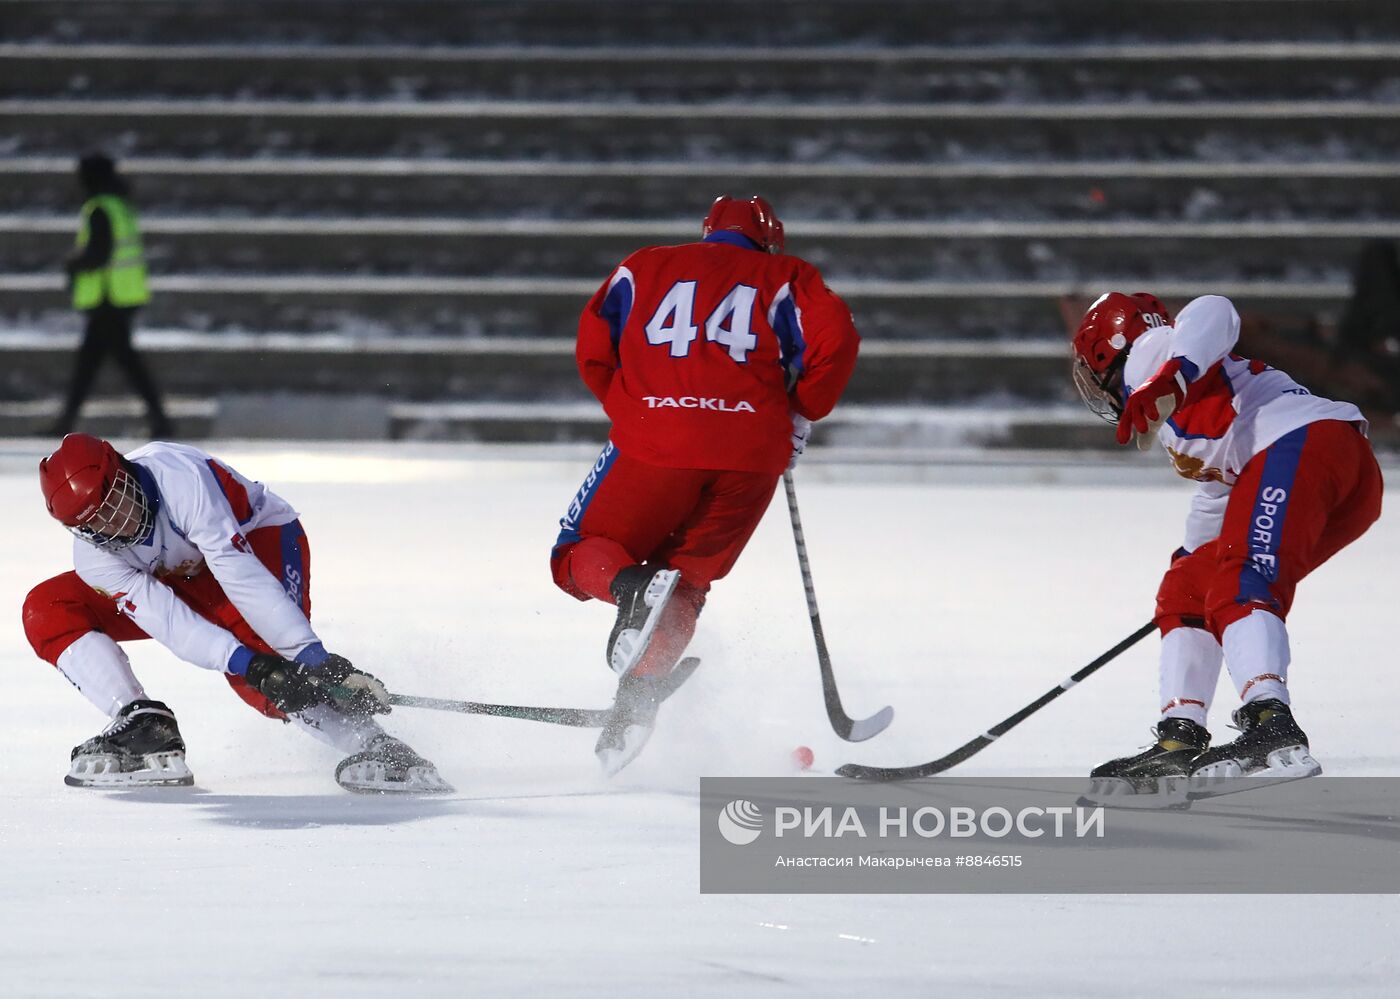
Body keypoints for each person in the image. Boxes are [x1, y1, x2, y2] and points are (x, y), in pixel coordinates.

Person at [552, 195, 861, 775]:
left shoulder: (643, 265)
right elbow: (837, 339)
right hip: (752, 455)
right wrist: (800, 410)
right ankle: (636, 704)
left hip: (656, 439)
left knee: (574, 555)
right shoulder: (788, 275)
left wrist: (635, 408)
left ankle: (626, 588)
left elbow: (595, 346)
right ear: (770, 240)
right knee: (686, 584)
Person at [1071, 292, 1382, 806]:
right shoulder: (1175, 412)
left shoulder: (1155, 356)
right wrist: (1186, 574)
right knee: (1192, 588)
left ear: (1109, 352)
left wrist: (1171, 373)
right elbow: (1216, 491)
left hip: (1306, 443)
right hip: (1338, 475)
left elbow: (1214, 310)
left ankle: (1270, 721)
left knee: (1242, 578)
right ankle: (1180, 734)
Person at [23, 433, 450, 793]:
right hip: (181, 577)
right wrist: (247, 663)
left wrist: (312, 659)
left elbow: (238, 573)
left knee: (271, 674)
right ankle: (141, 721)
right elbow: (168, 619)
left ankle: (380, 747)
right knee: (49, 608)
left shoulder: (179, 479)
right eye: (98, 522)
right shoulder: (96, 556)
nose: (119, 525)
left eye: (116, 500)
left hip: (256, 541)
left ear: (122, 468)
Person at [55, 153, 173, 438]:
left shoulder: (100, 209)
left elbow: (98, 254)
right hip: (123, 295)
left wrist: (73, 264)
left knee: (106, 363)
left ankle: (66, 422)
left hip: (108, 297)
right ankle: (159, 420)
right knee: (105, 362)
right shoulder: (121, 205)